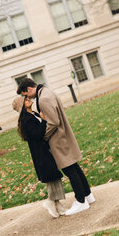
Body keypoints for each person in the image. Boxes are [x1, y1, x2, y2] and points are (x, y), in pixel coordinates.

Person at [16, 78, 94, 216]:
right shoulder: (47, 92)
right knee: (74, 167)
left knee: (69, 170)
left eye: (25, 95)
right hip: (63, 136)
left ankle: (81, 201)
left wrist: (44, 137)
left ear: (28, 89)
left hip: (58, 139)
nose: (26, 98)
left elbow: (53, 122)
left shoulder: (43, 99)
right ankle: (88, 195)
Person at [12, 95, 66, 218]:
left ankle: (58, 205)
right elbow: (37, 134)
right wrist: (44, 120)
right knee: (51, 177)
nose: (29, 100)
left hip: (45, 150)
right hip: (40, 153)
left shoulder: (33, 114)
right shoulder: (26, 119)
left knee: (54, 176)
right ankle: (50, 201)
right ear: (22, 105)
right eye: (25, 100)